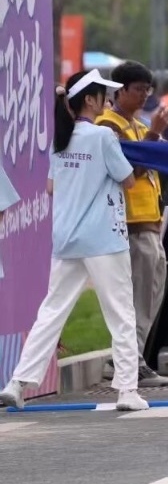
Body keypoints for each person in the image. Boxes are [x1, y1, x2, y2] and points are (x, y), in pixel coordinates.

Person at [1, 70, 149, 412]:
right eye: (103, 96)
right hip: (104, 240)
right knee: (121, 314)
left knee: (51, 313)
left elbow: (52, 187)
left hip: (66, 240)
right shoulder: (103, 137)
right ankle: (127, 391)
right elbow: (128, 180)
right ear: (90, 100)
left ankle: (17, 383)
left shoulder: (61, 140)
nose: (108, 101)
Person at [97, 61, 168, 389]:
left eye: (148, 89)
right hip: (130, 223)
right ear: (120, 91)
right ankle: (128, 362)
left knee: (149, 294)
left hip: (149, 221)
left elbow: (164, 162)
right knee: (138, 297)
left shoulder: (135, 124)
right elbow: (130, 171)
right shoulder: (109, 126)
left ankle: (129, 358)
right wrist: (156, 133)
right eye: (138, 89)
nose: (145, 95)